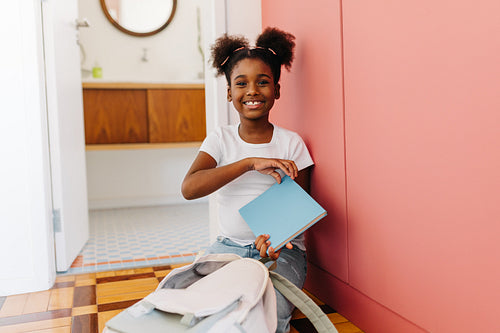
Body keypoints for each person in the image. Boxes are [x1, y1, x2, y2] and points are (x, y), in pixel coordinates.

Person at [181, 27, 314, 333]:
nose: (252, 90)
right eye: (241, 83)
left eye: (263, 83)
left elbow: (302, 209)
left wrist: (276, 242)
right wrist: (248, 163)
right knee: (201, 306)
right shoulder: (220, 139)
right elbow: (189, 188)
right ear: (230, 93)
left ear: (277, 91)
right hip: (227, 247)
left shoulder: (292, 143)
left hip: (283, 251)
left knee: (270, 310)